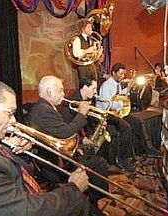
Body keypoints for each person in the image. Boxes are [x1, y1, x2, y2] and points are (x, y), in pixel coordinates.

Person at [0, 79, 91, 216]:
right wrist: (73, 189)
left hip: (25, 196)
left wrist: (13, 152)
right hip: (28, 205)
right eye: (9, 113)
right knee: (80, 205)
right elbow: (27, 211)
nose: (13, 121)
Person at [28, 75, 109, 215]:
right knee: (99, 163)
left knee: (92, 154)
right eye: (60, 90)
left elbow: (60, 131)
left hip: (59, 153)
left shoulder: (45, 107)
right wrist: (82, 114)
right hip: (53, 162)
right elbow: (66, 133)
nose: (64, 94)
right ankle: (92, 205)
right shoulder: (43, 110)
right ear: (49, 92)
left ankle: (90, 201)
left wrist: (77, 146)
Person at [72, 19, 103, 83]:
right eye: (88, 27)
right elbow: (76, 53)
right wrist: (87, 50)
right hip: (83, 68)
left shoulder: (91, 40)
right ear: (83, 28)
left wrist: (98, 53)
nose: (91, 29)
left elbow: (93, 56)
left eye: (91, 27)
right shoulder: (78, 39)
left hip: (92, 68)